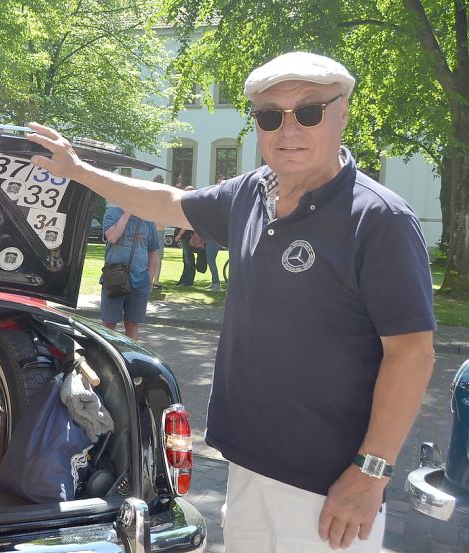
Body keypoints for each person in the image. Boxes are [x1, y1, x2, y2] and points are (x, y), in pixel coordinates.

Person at [27, 51, 435, 552]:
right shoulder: (251, 194)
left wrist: (369, 475)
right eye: (270, 116)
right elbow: (168, 204)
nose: (289, 130)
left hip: (327, 486)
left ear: (343, 113)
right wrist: (79, 171)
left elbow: (412, 354)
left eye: (308, 111)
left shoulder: (378, 220)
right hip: (246, 465)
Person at [100, 202, 160, 339]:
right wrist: (127, 212)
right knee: (109, 324)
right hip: (115, 279)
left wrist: (148, 279)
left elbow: (153, 251)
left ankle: (132, 359)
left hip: (140, 280)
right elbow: (113, 237)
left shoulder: (148, 220)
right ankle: (105, 358)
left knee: (132, 324)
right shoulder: (112, 213)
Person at [150, 175, 167, 290]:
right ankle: (155, 281)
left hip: (150, 225)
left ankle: (149, 280)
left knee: (148, 253)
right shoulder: (164, 195)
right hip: (160, 227)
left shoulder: (150, 193)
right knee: (158, 255)